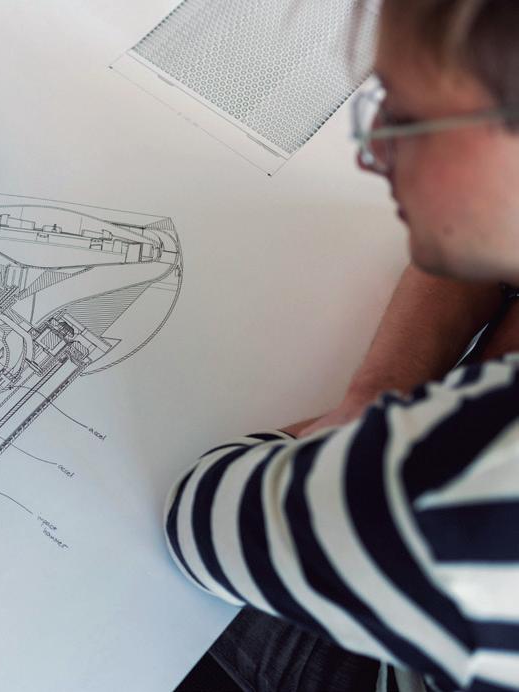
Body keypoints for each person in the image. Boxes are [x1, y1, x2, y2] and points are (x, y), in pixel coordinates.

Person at [166, 1, 519, 690]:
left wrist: (373, 433)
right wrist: (374, 398)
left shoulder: (461, 490)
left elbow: (201, 517)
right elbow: (470, 241)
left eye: (413, 121)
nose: (371, 152)